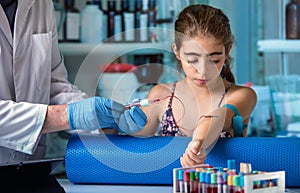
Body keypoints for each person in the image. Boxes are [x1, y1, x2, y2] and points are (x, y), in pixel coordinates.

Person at [0, 0, 147, 163]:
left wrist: (100, 122)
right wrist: (67, 116)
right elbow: (66, 114)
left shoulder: (40, 3)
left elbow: (53, 85)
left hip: (28, 168)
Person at [134, 4, 257, 167]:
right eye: (192, 60)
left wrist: (197, 143)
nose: (203, 71)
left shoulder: (242, 95)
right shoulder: (160, 96)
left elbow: (219, 117)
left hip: (223, 189)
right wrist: (109, 125)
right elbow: (133, 146)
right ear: (176, 51)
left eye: (213, 60)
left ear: (227, 50)